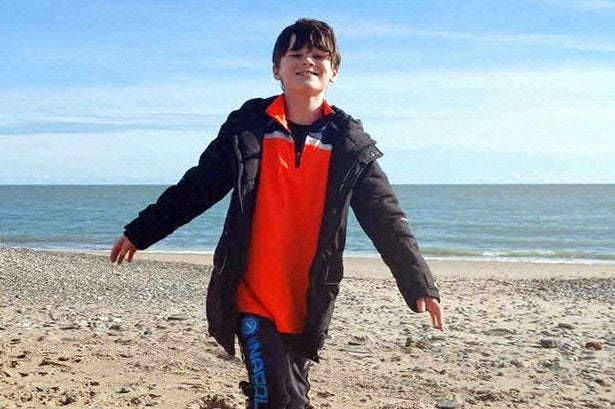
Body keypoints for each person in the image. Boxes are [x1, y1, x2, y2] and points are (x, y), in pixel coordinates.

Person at [110, 18, 444, 409]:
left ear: (334, 71)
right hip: (251, 294)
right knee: (280, 398)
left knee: (289, 397)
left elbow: (386, 218)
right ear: (276, 69)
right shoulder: (249, 128)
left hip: (308, 300)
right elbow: (198, 187)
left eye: (319, 55)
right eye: (295, 54)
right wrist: (142, 231)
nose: (307, 61)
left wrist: (419, 283)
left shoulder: (348, 143)